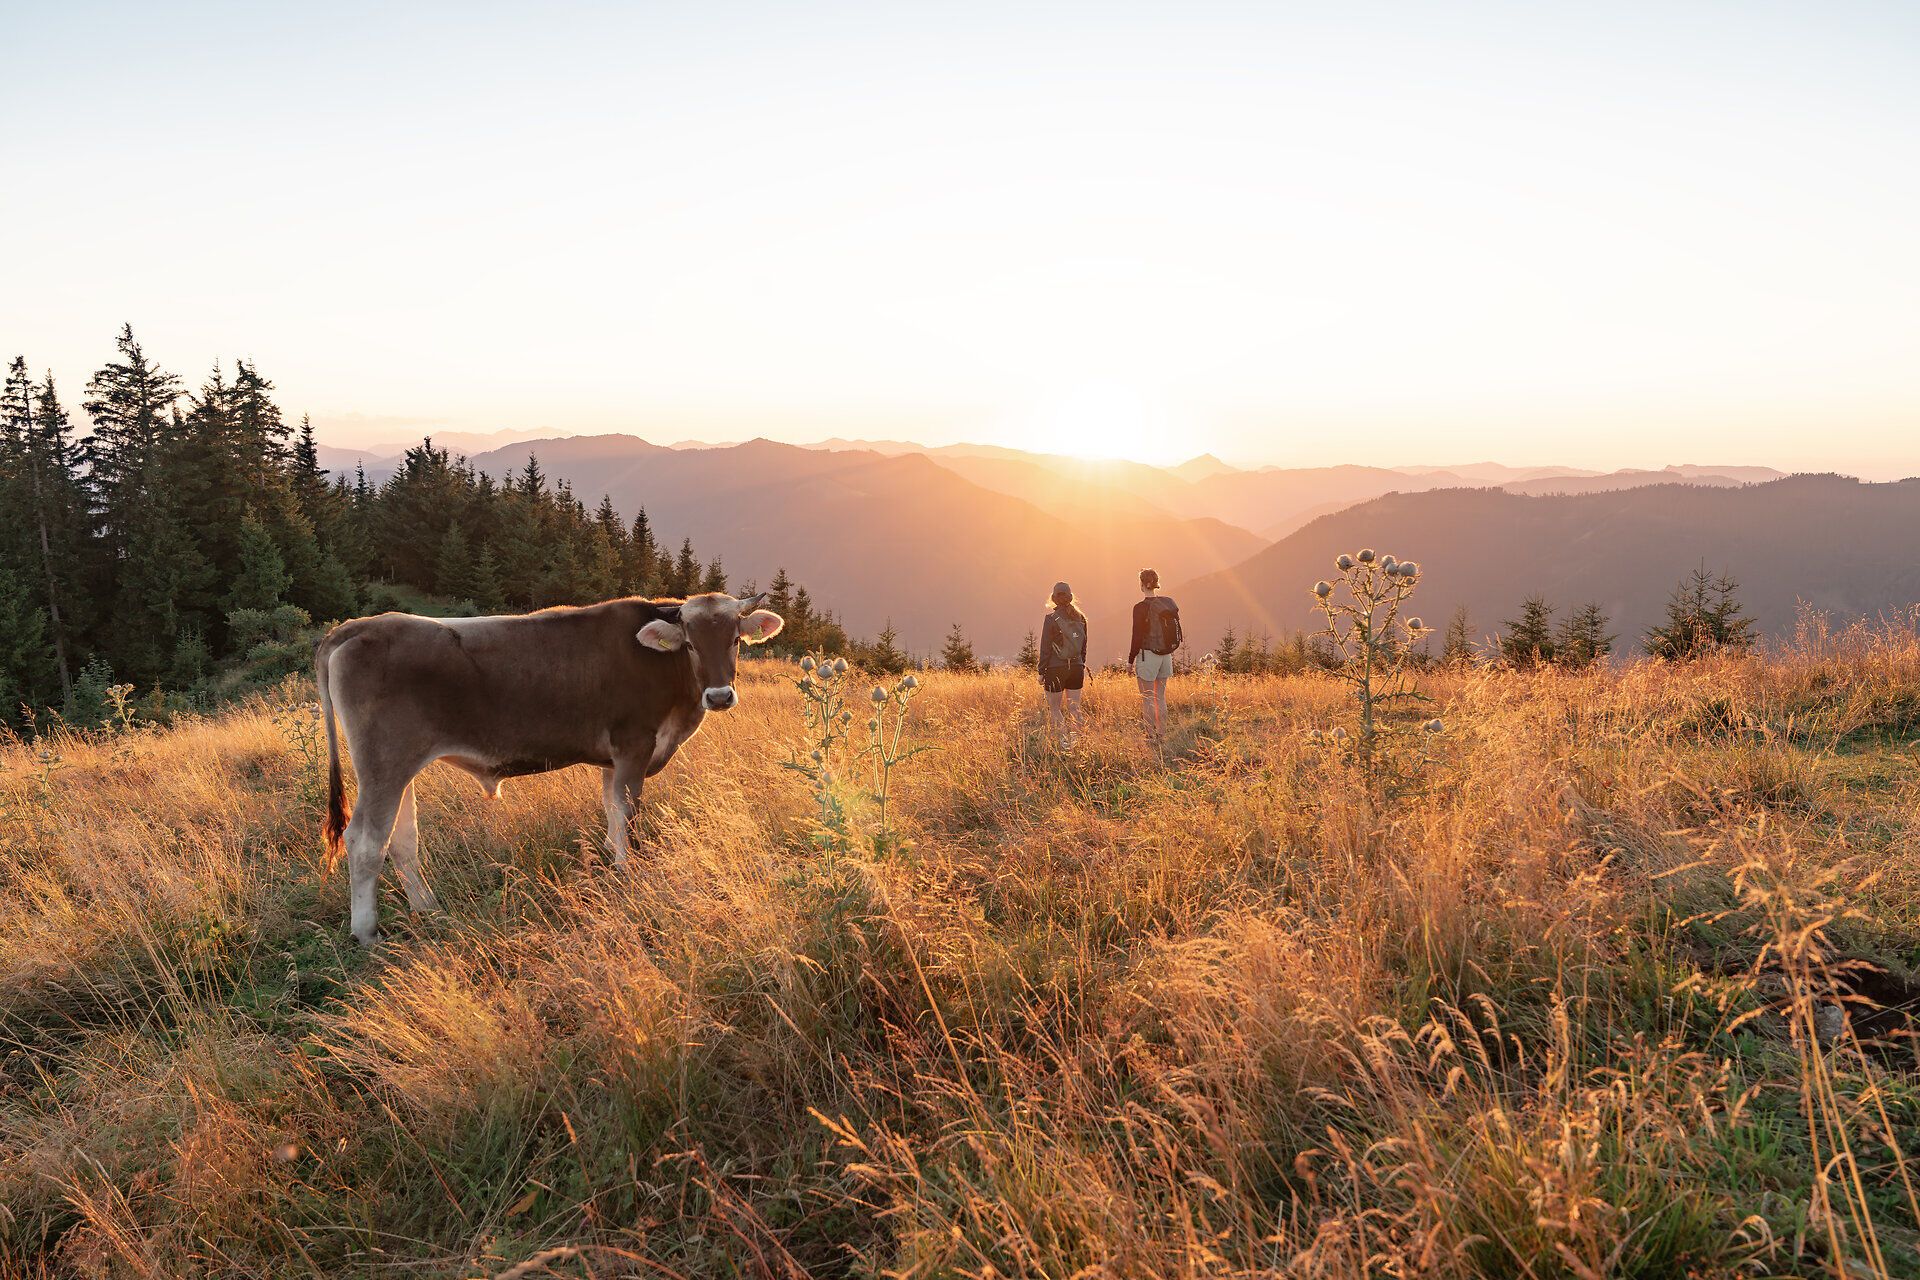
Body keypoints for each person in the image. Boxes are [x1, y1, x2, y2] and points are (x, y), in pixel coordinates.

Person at [1127, 567, 1182, 741]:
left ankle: (1150, 735)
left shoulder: (1140, 608)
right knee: (1160, 697)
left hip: (1148, 655)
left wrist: (1130, 660)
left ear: (1142, 584)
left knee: (1148, 698)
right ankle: (1162, 733)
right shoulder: (1167, 604)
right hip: (1166, 655)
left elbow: (1136, 636)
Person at [1037, 581, 1088, 746]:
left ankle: (1064, 742)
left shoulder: (1051, 619)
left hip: (1054, 668)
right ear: (1071, 597)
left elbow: (1045, 647)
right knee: (1075, 708)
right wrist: (1080, 663)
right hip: (1076, 667)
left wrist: (1041, 671)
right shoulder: (1081, 618)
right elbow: (1083, 645)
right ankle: (1078, 743)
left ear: (1053, 598)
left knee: (1055, 709)